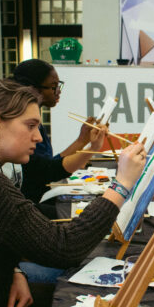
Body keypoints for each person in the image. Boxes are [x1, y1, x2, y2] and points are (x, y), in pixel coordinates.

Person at [0, 79, 146, 307]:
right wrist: (121, 185)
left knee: (75, 295)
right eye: (30, 126)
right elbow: (63, 248)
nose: (39, 138)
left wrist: (13, 269)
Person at [12, 59, 102, 204]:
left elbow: (48, 165)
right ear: (32, 89)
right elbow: (47, 171)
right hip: (32, 203)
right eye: (53, 87)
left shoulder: (34, 120)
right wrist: (91, 148)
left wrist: (82, 140)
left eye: (59, 85)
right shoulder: (20, 123)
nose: (58, 91)